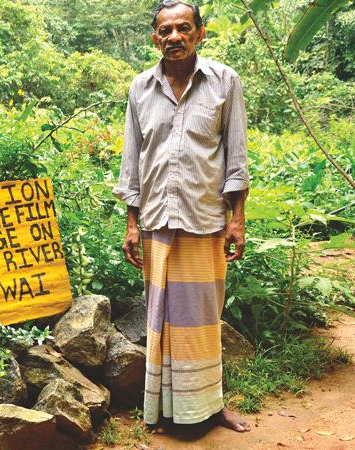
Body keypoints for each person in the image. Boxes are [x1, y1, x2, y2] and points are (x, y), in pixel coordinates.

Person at [112, 0, 251, 433]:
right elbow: (131, 161)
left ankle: (212, 407)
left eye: (183, 28)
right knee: (162, 317)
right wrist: (131, 223)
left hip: (205, 220)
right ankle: (162, 408)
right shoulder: (140, 88)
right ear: (156, 38)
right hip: (155, 220)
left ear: (199, 34)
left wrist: (238, 219)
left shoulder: (224, 82)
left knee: (203, 320)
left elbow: (236, 157)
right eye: (166, 30)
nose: (175, 36)